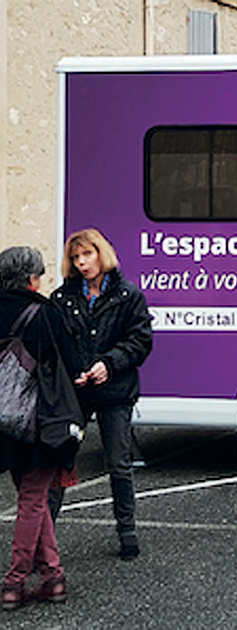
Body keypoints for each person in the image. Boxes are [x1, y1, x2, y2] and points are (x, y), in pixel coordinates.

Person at [51, 229, 153, 561]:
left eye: (87, 255)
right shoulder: (62, 298)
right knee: (59, 460)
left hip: (115, 392)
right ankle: (44, 537)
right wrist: (73, 370)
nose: (82, 263)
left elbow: (140, 341)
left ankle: (127, 533)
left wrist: (109, 364)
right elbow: (55, 344)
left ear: (101, 254)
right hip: (75, 394)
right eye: (76, 257)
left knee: (119, 464)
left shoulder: (128, 295)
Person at [0, 247, 80, 610]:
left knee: (32, 497)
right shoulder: (47, 314)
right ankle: (15, 582)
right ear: (32, 278)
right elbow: (73, 364)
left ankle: (53, 577)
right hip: (39, 423)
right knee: (33, 499)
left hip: (3, 424)